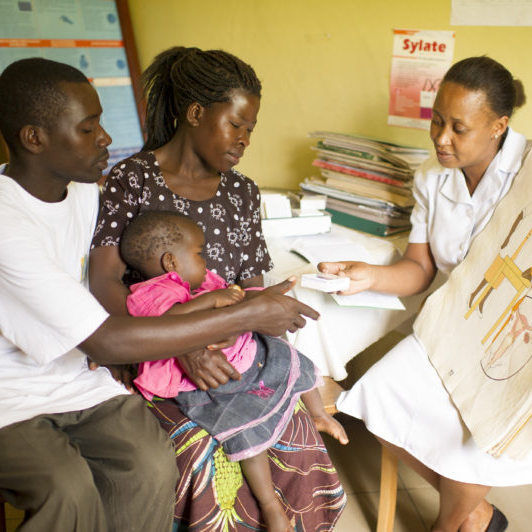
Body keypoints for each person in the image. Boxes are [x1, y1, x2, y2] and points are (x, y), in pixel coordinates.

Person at [0, 57, 318, 532]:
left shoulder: (84, 194)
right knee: (66, 488)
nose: (105, 139)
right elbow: (107, 340)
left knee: (151, 465)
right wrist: (243, 315)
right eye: (89, 129)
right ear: (35, 139)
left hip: (71, 377)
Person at [320, 56, 532, 532]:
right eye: (436, 121)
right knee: (375, 393)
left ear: (499, 125)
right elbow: (419, 269)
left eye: (459, 127)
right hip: (460, 330)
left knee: (476, 427)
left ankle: (450, 526)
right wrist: (368, 275)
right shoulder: (431, 181)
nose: (440, 138)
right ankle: (476, 515)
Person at [89, 47, 345, 530]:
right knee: (199, 446)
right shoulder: (133, 179)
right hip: (152, 357)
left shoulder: (241, 192)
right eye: (237, 124)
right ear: (195, 113)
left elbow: (252, 292)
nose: (246, 138)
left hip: (234, 351)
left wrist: (261, 324)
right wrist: (178, 345)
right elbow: (103, 279)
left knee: (292, 426)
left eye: (251, 128)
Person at [119, 210, 347, 531]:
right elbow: (170, 321)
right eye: (199, 253)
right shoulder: (150, 294)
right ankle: (270, 507)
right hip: (210, 384)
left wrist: (264, 298)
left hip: (247, 357)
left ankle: (318, 414)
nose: (205, 259)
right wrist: (213, 300)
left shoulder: (204, 282)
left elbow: (241, 302)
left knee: (291, 358)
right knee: (244, 434)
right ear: (171, 261)